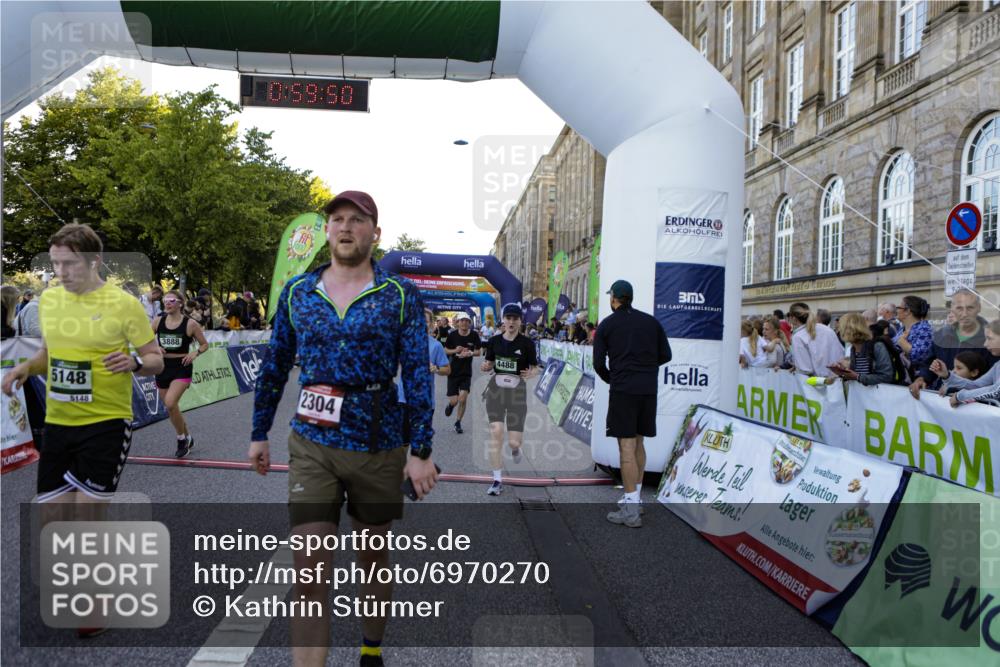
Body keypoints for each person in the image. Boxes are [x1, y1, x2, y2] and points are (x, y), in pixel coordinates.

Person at [248, 190, 437, 667]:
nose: (346, 226)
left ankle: (370, 647)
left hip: (379, 443)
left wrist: (422, 449)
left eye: (357, 219)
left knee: (372, 559)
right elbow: (274, 368)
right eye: (337, 219)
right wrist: (259, 432)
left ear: (375, 232)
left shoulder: (399, 295)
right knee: (310, 572)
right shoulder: (298, 293)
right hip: (312, 443)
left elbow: (416, 372)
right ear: (327, 230)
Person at [1, 224, 163, 640]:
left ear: (93, 261)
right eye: (55, 264)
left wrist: (134, 364)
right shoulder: (51, 301)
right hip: (58, 423)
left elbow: (155, 358)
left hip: (106, 422)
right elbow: (50, 352)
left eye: (69, 263)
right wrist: (25, 368)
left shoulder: (123, 305)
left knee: (88, 514)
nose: (60, 272)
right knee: (52, 516)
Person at [593, 280, 671, 528]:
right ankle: (634, 499)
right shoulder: (651, 322)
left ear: (614, 298)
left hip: (624, 389)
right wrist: (645, 370)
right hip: (648, 389)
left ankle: (630, 511)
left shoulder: (606, 325)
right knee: (638, 442)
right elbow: (666, 355)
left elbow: (597, 364)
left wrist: (613, 378)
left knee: (626, 447)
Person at [480, 303, 539, 496]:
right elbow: (488, 363)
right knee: (496, 432)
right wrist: (486, 366)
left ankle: (516, 449)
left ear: (520, 321)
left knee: (514, 442)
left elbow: (535, 367)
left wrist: (532, 373)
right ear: (503, 320)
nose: (511, 322)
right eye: (509, 318)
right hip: (496, 391)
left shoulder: (527, 344)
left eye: (515, 319)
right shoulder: (494, 341)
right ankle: (497, 480)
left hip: (517, 392)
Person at [909, 289, 996, 398]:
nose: (964, 314)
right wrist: (922, 378)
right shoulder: (940, 335)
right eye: (959, 308)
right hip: (942, 400)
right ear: (952, 309)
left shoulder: (993, 338)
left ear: (979, 308)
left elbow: (994, 381)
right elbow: (929, 363)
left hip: (976, 405)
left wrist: (961, 393)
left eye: (970, 308)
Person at [153, 290, 209, 458]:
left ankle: (181, 439)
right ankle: (188, 436)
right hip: (162, 366)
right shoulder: (157, 321)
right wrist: (155, 348)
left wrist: (195, 353)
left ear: (180, 303)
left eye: (171, 300)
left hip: (182, 366)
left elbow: (205, 344)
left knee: (170, 403)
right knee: (172, 407)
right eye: (165, 300)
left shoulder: (190, 324)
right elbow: (145, 342)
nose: (167, 303)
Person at [929, 319, 1000, 407]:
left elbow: (996, 391)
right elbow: (976, 385)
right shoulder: (998, 365)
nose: (985, 344)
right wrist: (947, 376)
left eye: (989, 338)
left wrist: (960, 396)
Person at [829, 313, 899, 386]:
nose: (838, 331)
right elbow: (858, 375)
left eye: (840, 328)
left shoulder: (877, 346)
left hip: (879, 395)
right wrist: (843, 371)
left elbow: (887, 376)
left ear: (849, 330)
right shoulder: (853, 348)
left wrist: (858, 377)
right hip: (864, 396)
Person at [443, 313, 481, 434]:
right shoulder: (452, 335)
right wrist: (456, 350)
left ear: (470, 323)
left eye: (467, 321)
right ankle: (450, 405)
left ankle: (458, 422)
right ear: (458, 323)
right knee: (455, 400)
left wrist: (470, 353)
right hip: (453, 371)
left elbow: (479, 351)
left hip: (466, 372)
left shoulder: (474, 335)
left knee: (463, 398)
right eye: (462, 320)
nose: (464, 323)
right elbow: (446, 350)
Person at [787, 302, 844, 377]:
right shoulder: (827, 330)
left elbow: (805, 370)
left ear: (793, 318)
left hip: (815, 384)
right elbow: (841, 354)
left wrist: (798, 367)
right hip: (836, 381)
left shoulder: (798, 337)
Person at [893, 295, 933, 382]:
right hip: (901, 380)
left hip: (919, 383)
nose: (897, 310)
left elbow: (921, 357)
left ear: (907, 311)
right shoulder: (902, 329)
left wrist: (903, 343)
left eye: (899, 307)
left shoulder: (924, 330)